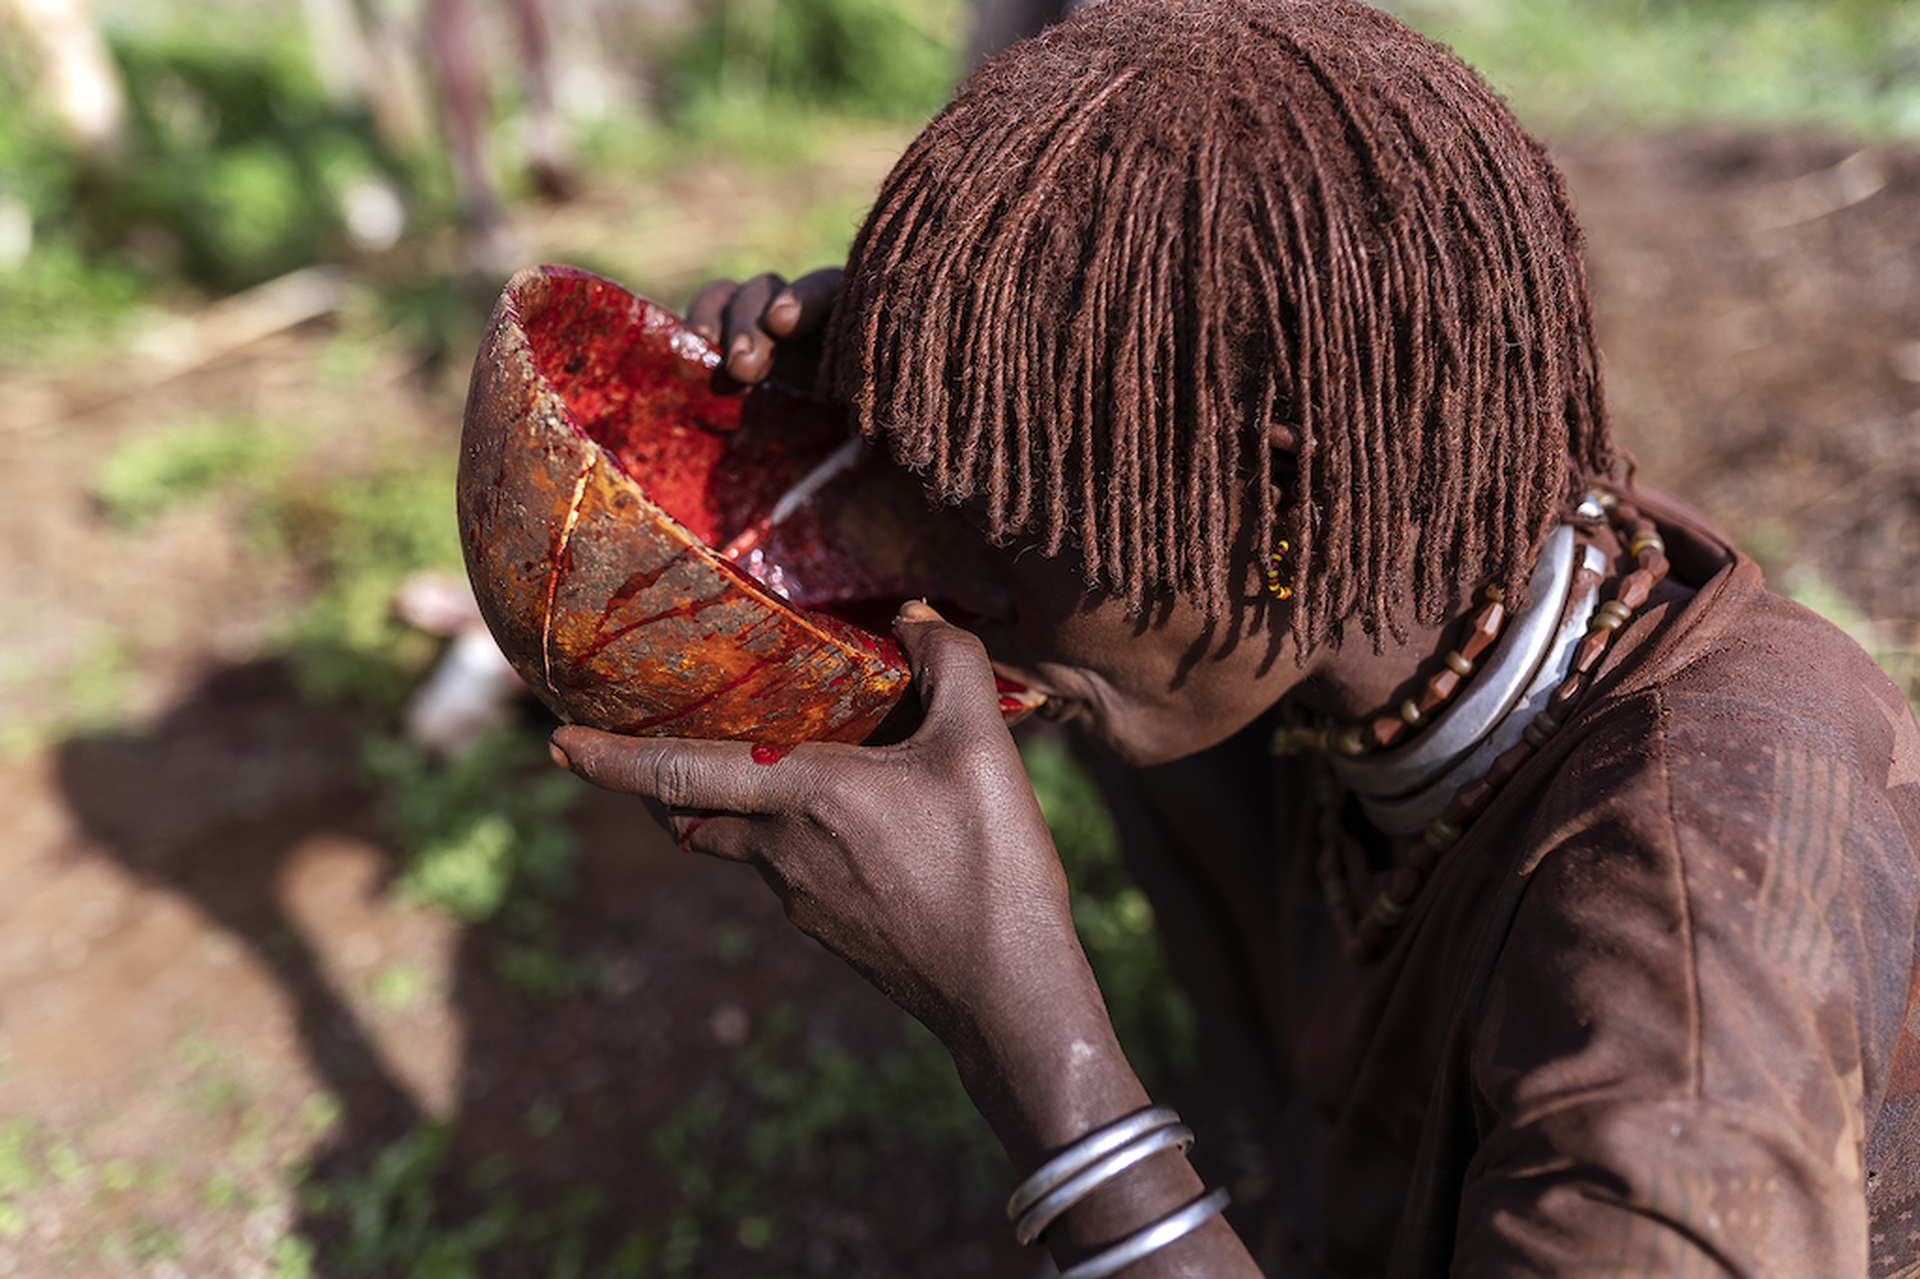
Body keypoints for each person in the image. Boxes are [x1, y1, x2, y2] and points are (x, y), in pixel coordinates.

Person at [542, 0, 1920, 1273]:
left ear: (1285, 497)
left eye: (996, 511)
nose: (943, 589)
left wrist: (1038, 1049)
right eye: (925, 490)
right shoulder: (1409, 576)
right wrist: (891, 397)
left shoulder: (1686, 955)